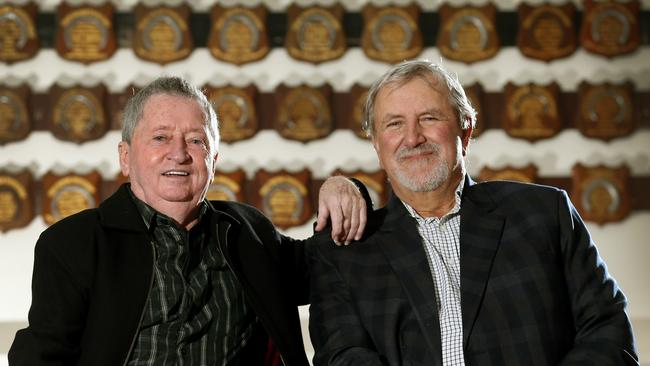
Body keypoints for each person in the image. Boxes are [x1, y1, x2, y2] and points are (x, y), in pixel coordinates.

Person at [9, 76, 370, 366]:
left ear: (214, 160)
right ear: (125, 156)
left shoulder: (248, 233)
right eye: (160, 137)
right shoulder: (73, 244)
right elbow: (41, 355)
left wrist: (344, 187)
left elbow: (331, 262)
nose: (179, 154)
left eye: (195, 140)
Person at [307, 60, 639, 365]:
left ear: (465, 131)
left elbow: (606, 330)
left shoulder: (543, 214)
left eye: (429, 118)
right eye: (394, 124)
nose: (412, 137)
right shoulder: (347, 250)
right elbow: (341, 357)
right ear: (377, 145)